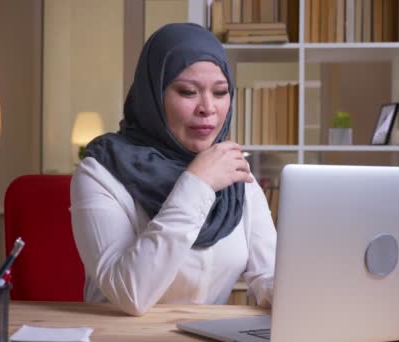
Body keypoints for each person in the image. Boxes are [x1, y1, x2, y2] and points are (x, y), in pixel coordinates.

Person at [70, 22, 276, 316]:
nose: (208, 108)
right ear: (153, 95)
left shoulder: (235, 175)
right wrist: (197, 184)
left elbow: (267, 275)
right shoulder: (101, 172)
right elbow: (130, 293)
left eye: (220, 92)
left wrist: (298, 291)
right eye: (188, 91)